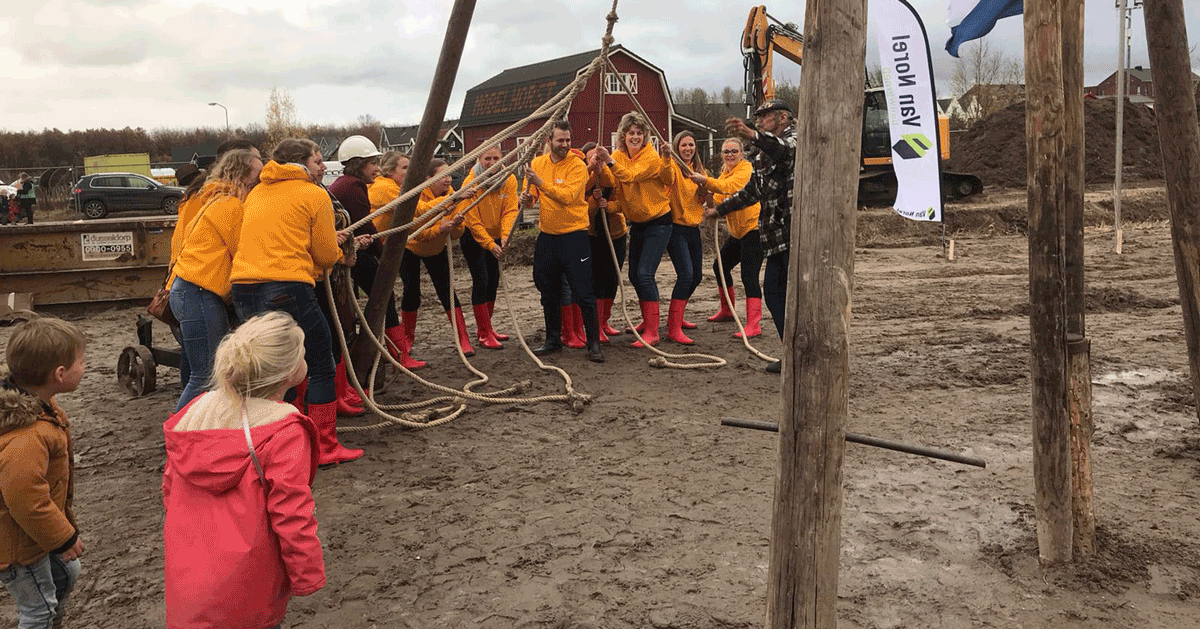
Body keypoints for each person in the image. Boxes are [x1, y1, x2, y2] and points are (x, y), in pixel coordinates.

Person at [163, 311, 325, 629]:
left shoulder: (195, 410)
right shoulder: (283, 428)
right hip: (249, 582)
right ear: (290, 371)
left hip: (190, 575)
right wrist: (307, 574)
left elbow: (169, 487)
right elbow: (292, 511)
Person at [230, 138, 364, 465]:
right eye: (318, 160)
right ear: (301, 164)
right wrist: (337, 251)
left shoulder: (258, 192)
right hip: (286, 284)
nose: (322, 166)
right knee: (319, 359)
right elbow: (323, 252)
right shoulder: (314, 194)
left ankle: (273, 440)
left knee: (270, 365)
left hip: (244, 286)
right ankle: (325, 446)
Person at [0, 316, 86, 629]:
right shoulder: (27, 436)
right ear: (60, 374)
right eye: (81, 361)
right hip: (17, 546)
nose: (84, 365)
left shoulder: (44, 408)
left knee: (67, 572)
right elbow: (25, 499)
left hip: (29, 532)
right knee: (38, 611)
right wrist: (63, 538)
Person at [704, 98, 797, 373]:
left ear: (782, 118)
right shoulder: (760, 155)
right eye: (756, 118)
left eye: (764, 117)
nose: (757, 121)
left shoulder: (794, 139)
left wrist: (754, 136)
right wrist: (718, 210)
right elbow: (750, 192)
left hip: (795, 236)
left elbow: (785, 151)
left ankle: (798, 356)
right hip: (774, 238)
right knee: (775, 295)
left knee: (791, 297)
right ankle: (791, 356)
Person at [170, 149, 263, 412]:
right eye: (257, 174)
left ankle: (190, 430)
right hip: (199, 291)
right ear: (243, 175)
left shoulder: (214, 200)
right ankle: (178, 433)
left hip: (193, 289)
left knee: (204, 372)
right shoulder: (230, 206)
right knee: (207, 375)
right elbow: (243, 252)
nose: (260, 179)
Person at [522, 120, 604, 362]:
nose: (565, 144)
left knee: (583, 292)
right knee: (547, 289)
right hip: (548, 235)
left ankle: (594, 344)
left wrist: (540, 183)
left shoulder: (578, 166)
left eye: (568, 140)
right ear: (549, 142)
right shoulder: (538, 163)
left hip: (574, 235)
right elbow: (535, 198)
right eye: (560, 140)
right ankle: (552, 340)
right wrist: (527, 199)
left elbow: (567, 197)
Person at [593, 112, 675, 348]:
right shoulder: (618, 156)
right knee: (633, 275)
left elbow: (629, 177)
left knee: (644, 274)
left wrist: (609, 161)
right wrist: (607, 204)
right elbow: (622, 194)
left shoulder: (651, 157)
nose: (635, 137)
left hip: (658, 222)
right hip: (637, 223)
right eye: (631, 133)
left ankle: (652, 331)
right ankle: (646, 321)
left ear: (646, 136)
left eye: (640, 133)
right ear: (623, 135)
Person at [327, 135, 389, 415]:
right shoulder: (353, 188)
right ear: (357, 164)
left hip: (350, 252)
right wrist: (381, 250)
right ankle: (372, 361)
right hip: (349, 256)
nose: (377, 168)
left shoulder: (345, 184)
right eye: (372, 163)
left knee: (350, 314)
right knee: (380, 295)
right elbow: (366, 227)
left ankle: (353, 378)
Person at [396, 159, 475, 364]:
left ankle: (463, 338)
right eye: (443, 176)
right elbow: (418, 229)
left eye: (450, 175)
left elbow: (458, 234)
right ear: (428, 179)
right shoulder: (417, 196)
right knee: (412, 292)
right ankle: (407, 338)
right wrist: (440, 228)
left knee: (447, 291)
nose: (448, 179)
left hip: (437, 248)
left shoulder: (452, 197)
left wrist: (455, 225)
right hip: (412, 247)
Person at [693, 138, 764, 339]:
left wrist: (706, 181)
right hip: (737, 232)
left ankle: (754, 324)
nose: (730, 155)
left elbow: (730, 187)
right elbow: (719, 196)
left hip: (753, 229)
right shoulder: (726, 172)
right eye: (726, 152)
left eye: (734, 151)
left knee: (749, 276)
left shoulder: (746, 170)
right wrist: (706, 199)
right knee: (720, 267)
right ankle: (727, 310)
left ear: (742, 153)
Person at [459, 145, 519, 349]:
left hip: (496, 236)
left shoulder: (509, 179)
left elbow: (511, 210)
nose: (492, 163)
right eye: (487, 159)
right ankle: (483, 333)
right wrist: (489, 244)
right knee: (481, 280)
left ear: (502, 158)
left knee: (493, 280)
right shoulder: (471, 184)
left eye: (496, 158)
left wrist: (505, 238)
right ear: (478, 159)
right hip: (474, 237)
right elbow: (472, 220)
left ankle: (487, 327)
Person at [664, 131, 708, 344]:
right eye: (683, 145)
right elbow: (664, 178)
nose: (688, 149)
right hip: (676, 228)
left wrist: (706, 193)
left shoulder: (699, 170)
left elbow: (707, 198)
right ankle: (673, 328)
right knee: (686, 275)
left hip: (693, 227)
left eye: (691, 145)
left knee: (697, 276)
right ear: (677, 147)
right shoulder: (673, 167)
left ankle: (677, 317)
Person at [583, 143, 626, 342]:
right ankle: (596, 324)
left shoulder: (614, 175)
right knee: (597, 279)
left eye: (599, 157)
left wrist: (608, 205)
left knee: (612, 279)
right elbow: (580, 203)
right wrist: (594, 200)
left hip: (616, 232)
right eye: (592, 158)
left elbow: (623, 201)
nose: (596, 162)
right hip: (594, 234)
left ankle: (605, 320)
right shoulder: (584, 179)